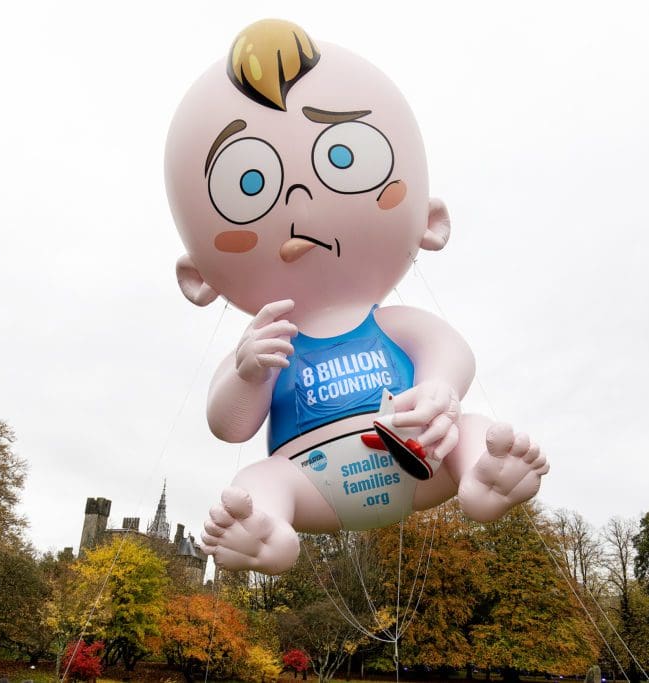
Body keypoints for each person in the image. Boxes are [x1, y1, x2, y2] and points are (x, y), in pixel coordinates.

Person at [165, 19, 550, 574]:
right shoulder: (269, 345)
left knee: (470, 426)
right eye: (251, 184)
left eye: (342, 158)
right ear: (198, 278)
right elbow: (230, 425)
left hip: (421, 451)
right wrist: (248, 371)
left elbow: (450, 351)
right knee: (256, 480)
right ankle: (267, 531)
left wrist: (438, 387)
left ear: (430, 222)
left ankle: (483, 477)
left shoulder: (393, 322)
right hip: (308, 474)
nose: (299, 202)